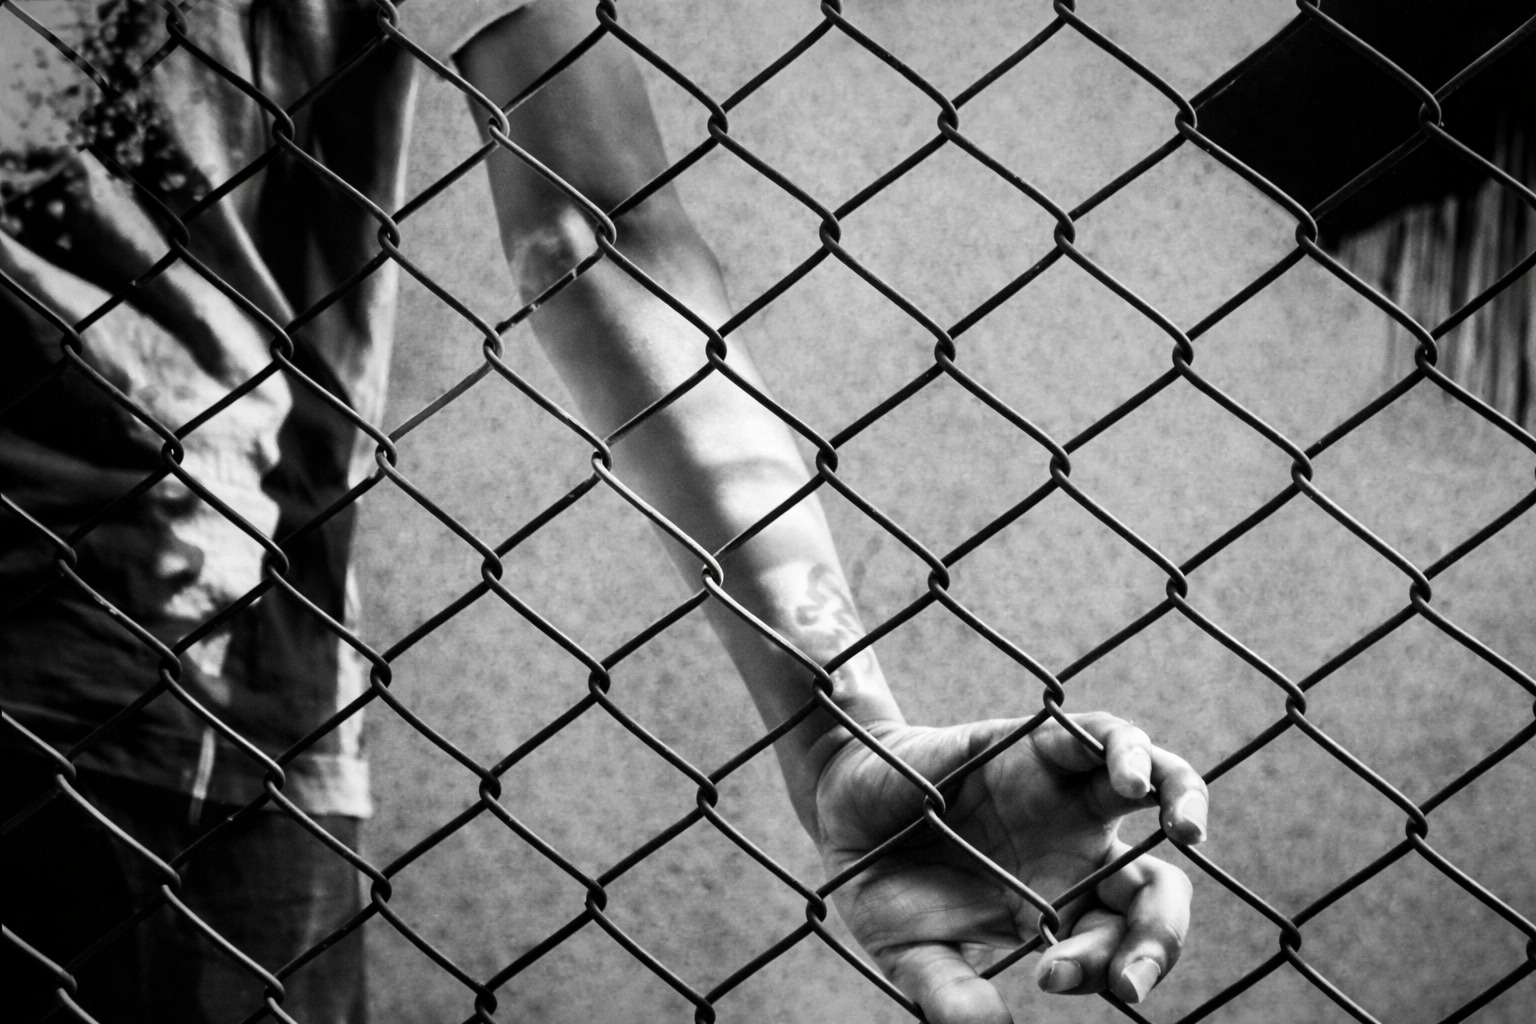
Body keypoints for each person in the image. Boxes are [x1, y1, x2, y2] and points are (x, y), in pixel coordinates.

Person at [0, 3, 1209, 1023]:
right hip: (149, 667)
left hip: (142, 681)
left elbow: (592, 229)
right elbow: (586, 231)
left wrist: (843, 733)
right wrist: (835, 732)